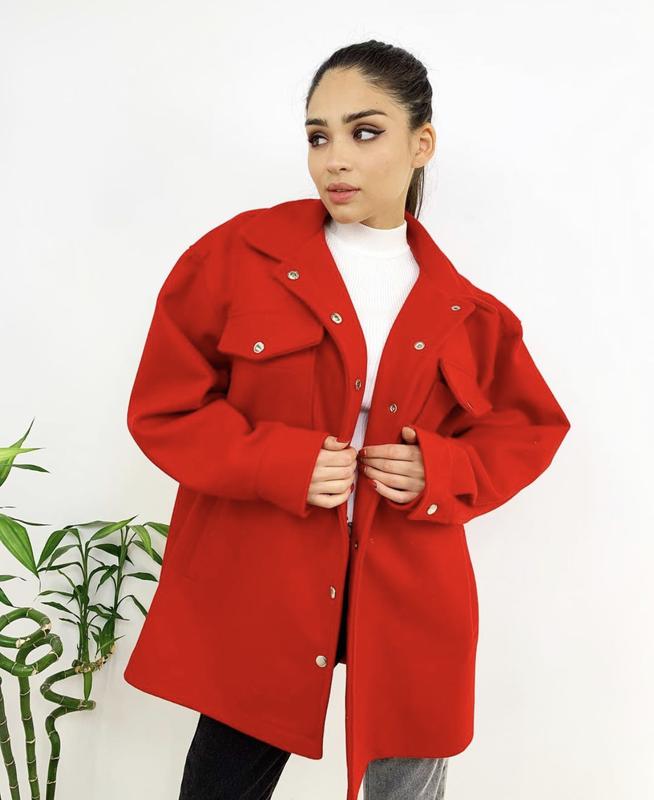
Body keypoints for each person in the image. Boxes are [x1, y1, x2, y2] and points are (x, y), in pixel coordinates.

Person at [125, 39, 570, 800]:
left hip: (410, 585)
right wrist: (278, 463)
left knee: (408, 779)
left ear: (421, 144)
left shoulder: (470, 311)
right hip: (266, 575)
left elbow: (529, 429)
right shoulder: (239, 257)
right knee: (223, 780)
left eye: (365, 133)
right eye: (318, 135)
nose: (335, 159)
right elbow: (164, 407)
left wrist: (442, 470)